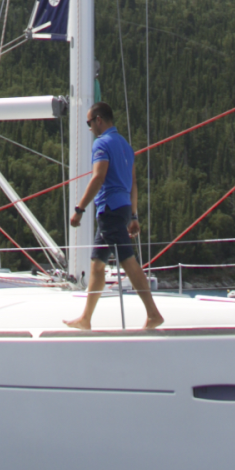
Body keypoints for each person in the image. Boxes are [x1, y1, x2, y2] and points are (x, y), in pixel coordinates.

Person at [63, 102, 163, 330]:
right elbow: (133, 184)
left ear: (98, 120)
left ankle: (153, 313)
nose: (89, 128)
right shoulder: (126, 146)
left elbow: (98, 177)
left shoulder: (101, 143)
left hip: (109, 209)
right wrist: (133, 216)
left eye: (89, 123)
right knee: (97, 264)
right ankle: (86, 318)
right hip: (123, 208)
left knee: (128, 260)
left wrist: (79, 209)